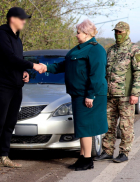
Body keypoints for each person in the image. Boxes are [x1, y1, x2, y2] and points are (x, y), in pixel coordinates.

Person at [38, 19, 108, 171]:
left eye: (78, 32)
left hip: (88, 95)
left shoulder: (96, 50)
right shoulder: (77, 49)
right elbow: (63, 65)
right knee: (81, 128)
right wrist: (46, 68)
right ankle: (82, 157)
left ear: (87, 33)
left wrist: (91, 95)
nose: (76, 35)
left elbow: (97, 74)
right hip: (78, 94)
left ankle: (88, 160)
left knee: (86, 128)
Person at [0, 7, 42, 171]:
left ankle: (4, 156)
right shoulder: (2, 35)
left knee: (10, 123)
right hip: (2, 86)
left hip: (16, 86)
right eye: (22, 18)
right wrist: (33, 66)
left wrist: (24, 72)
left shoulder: (17, 38)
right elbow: (9, 58)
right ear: (12, 19)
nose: (24, 21)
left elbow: (17, 61)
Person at [94, 22, 140, 163]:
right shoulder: (111, 50)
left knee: (125, 125)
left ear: (127, 32)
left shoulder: (134, 50)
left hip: (126, 95)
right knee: (108, 124)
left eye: (120, 32)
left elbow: (138, 72)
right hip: (110, 95)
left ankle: (124, 152)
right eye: (116, 32)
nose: (117, 34)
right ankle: (107, 151)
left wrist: (135, 93)